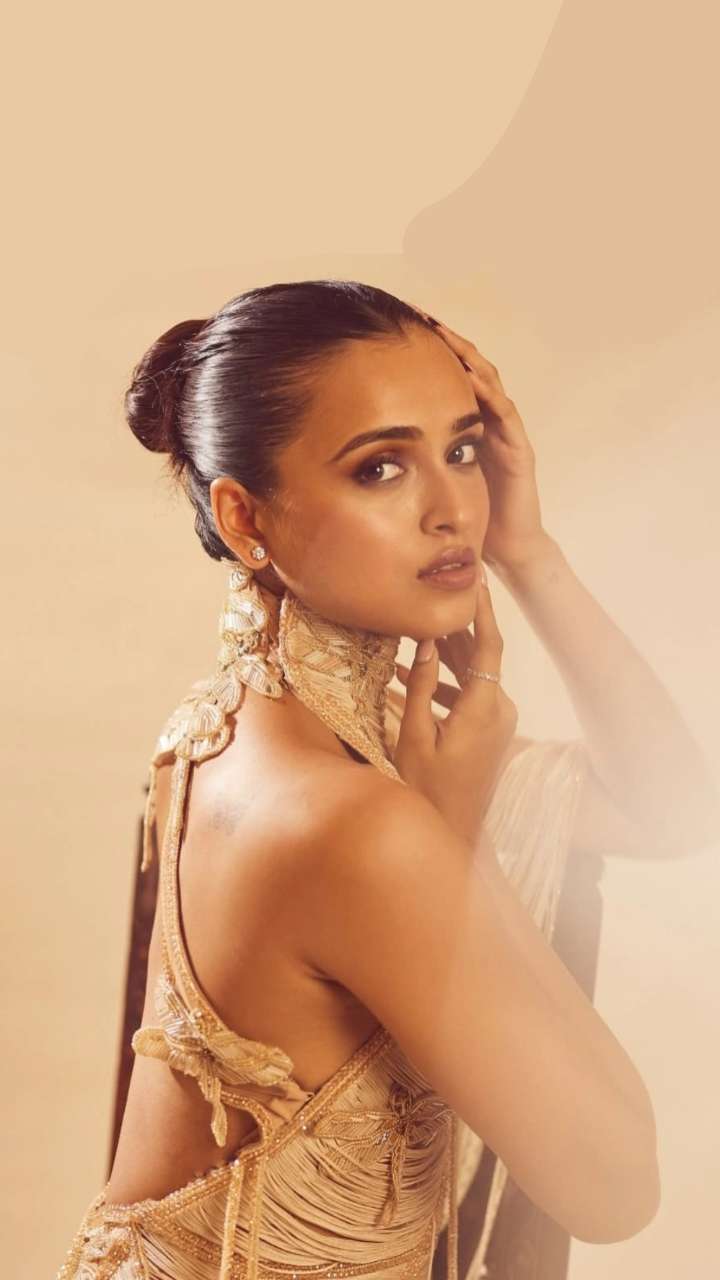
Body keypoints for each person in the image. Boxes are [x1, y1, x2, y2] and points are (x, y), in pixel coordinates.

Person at [57, 279, 669, 1280]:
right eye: (381, 467)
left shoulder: (231, 731)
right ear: (244, 518)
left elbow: (669, 807)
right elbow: (618, 1186)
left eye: (462, 450)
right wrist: (460, 847)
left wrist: (529, 551)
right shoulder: (356, 820)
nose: (454, 510)